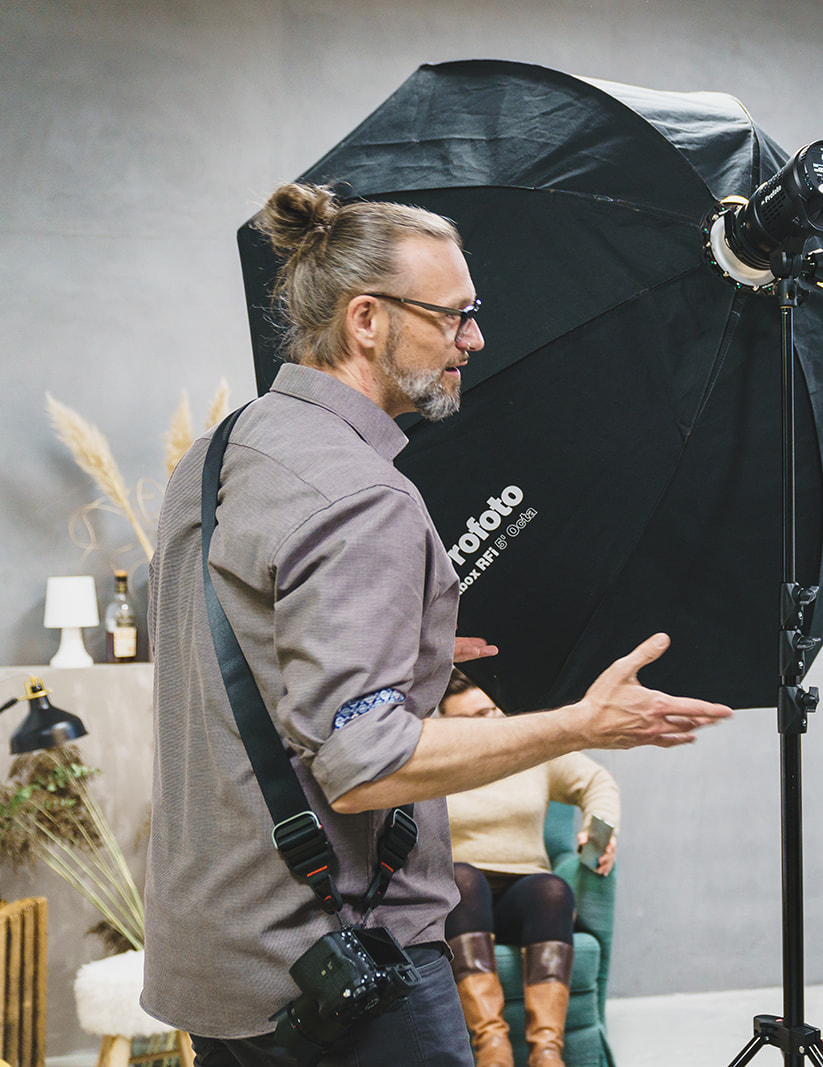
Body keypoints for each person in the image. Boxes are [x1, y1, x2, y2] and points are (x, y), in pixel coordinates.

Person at [142, 182, 731, 1067]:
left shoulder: (220, 451)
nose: (475, 339)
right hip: (334, 965)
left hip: (214, 962)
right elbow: (365, 764)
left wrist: (399, 642)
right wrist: (581, 724)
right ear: (367, 319)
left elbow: (221, 644)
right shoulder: (363, 495)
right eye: (455, 315)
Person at [438, 670, 620, 1067]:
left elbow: (596, 782)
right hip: (461, 902)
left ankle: (547, 1052)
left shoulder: (530, 751)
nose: (482, 727)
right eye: (465, 721)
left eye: (487, 713)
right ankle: (493, 1047)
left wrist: (599, 831)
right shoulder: (434, 763)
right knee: (462, 880)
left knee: (552, 889)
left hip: (522, 898)